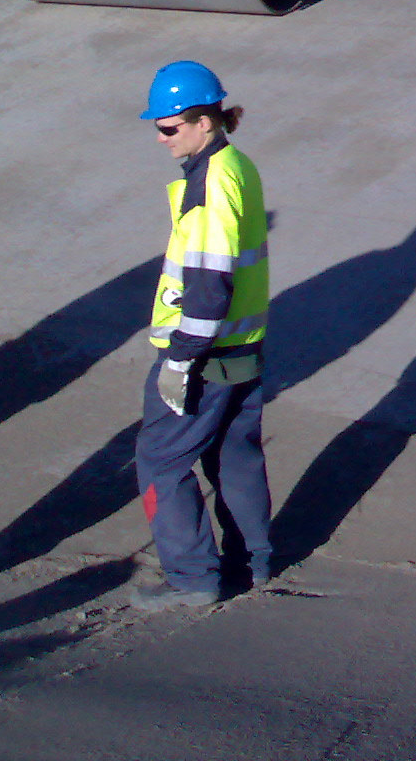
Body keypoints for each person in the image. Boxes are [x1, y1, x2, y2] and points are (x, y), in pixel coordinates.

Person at [131, 60, 272, 610]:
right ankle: (252, 562)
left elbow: (209, 286)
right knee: (235, 456)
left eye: (169, 128)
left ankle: (190, 576)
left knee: (161, 459)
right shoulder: (238, 165)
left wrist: (181, 361)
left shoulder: (211, 184)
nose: (161, 138)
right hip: (244, 348)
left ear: (204, 123)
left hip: (205, 353)